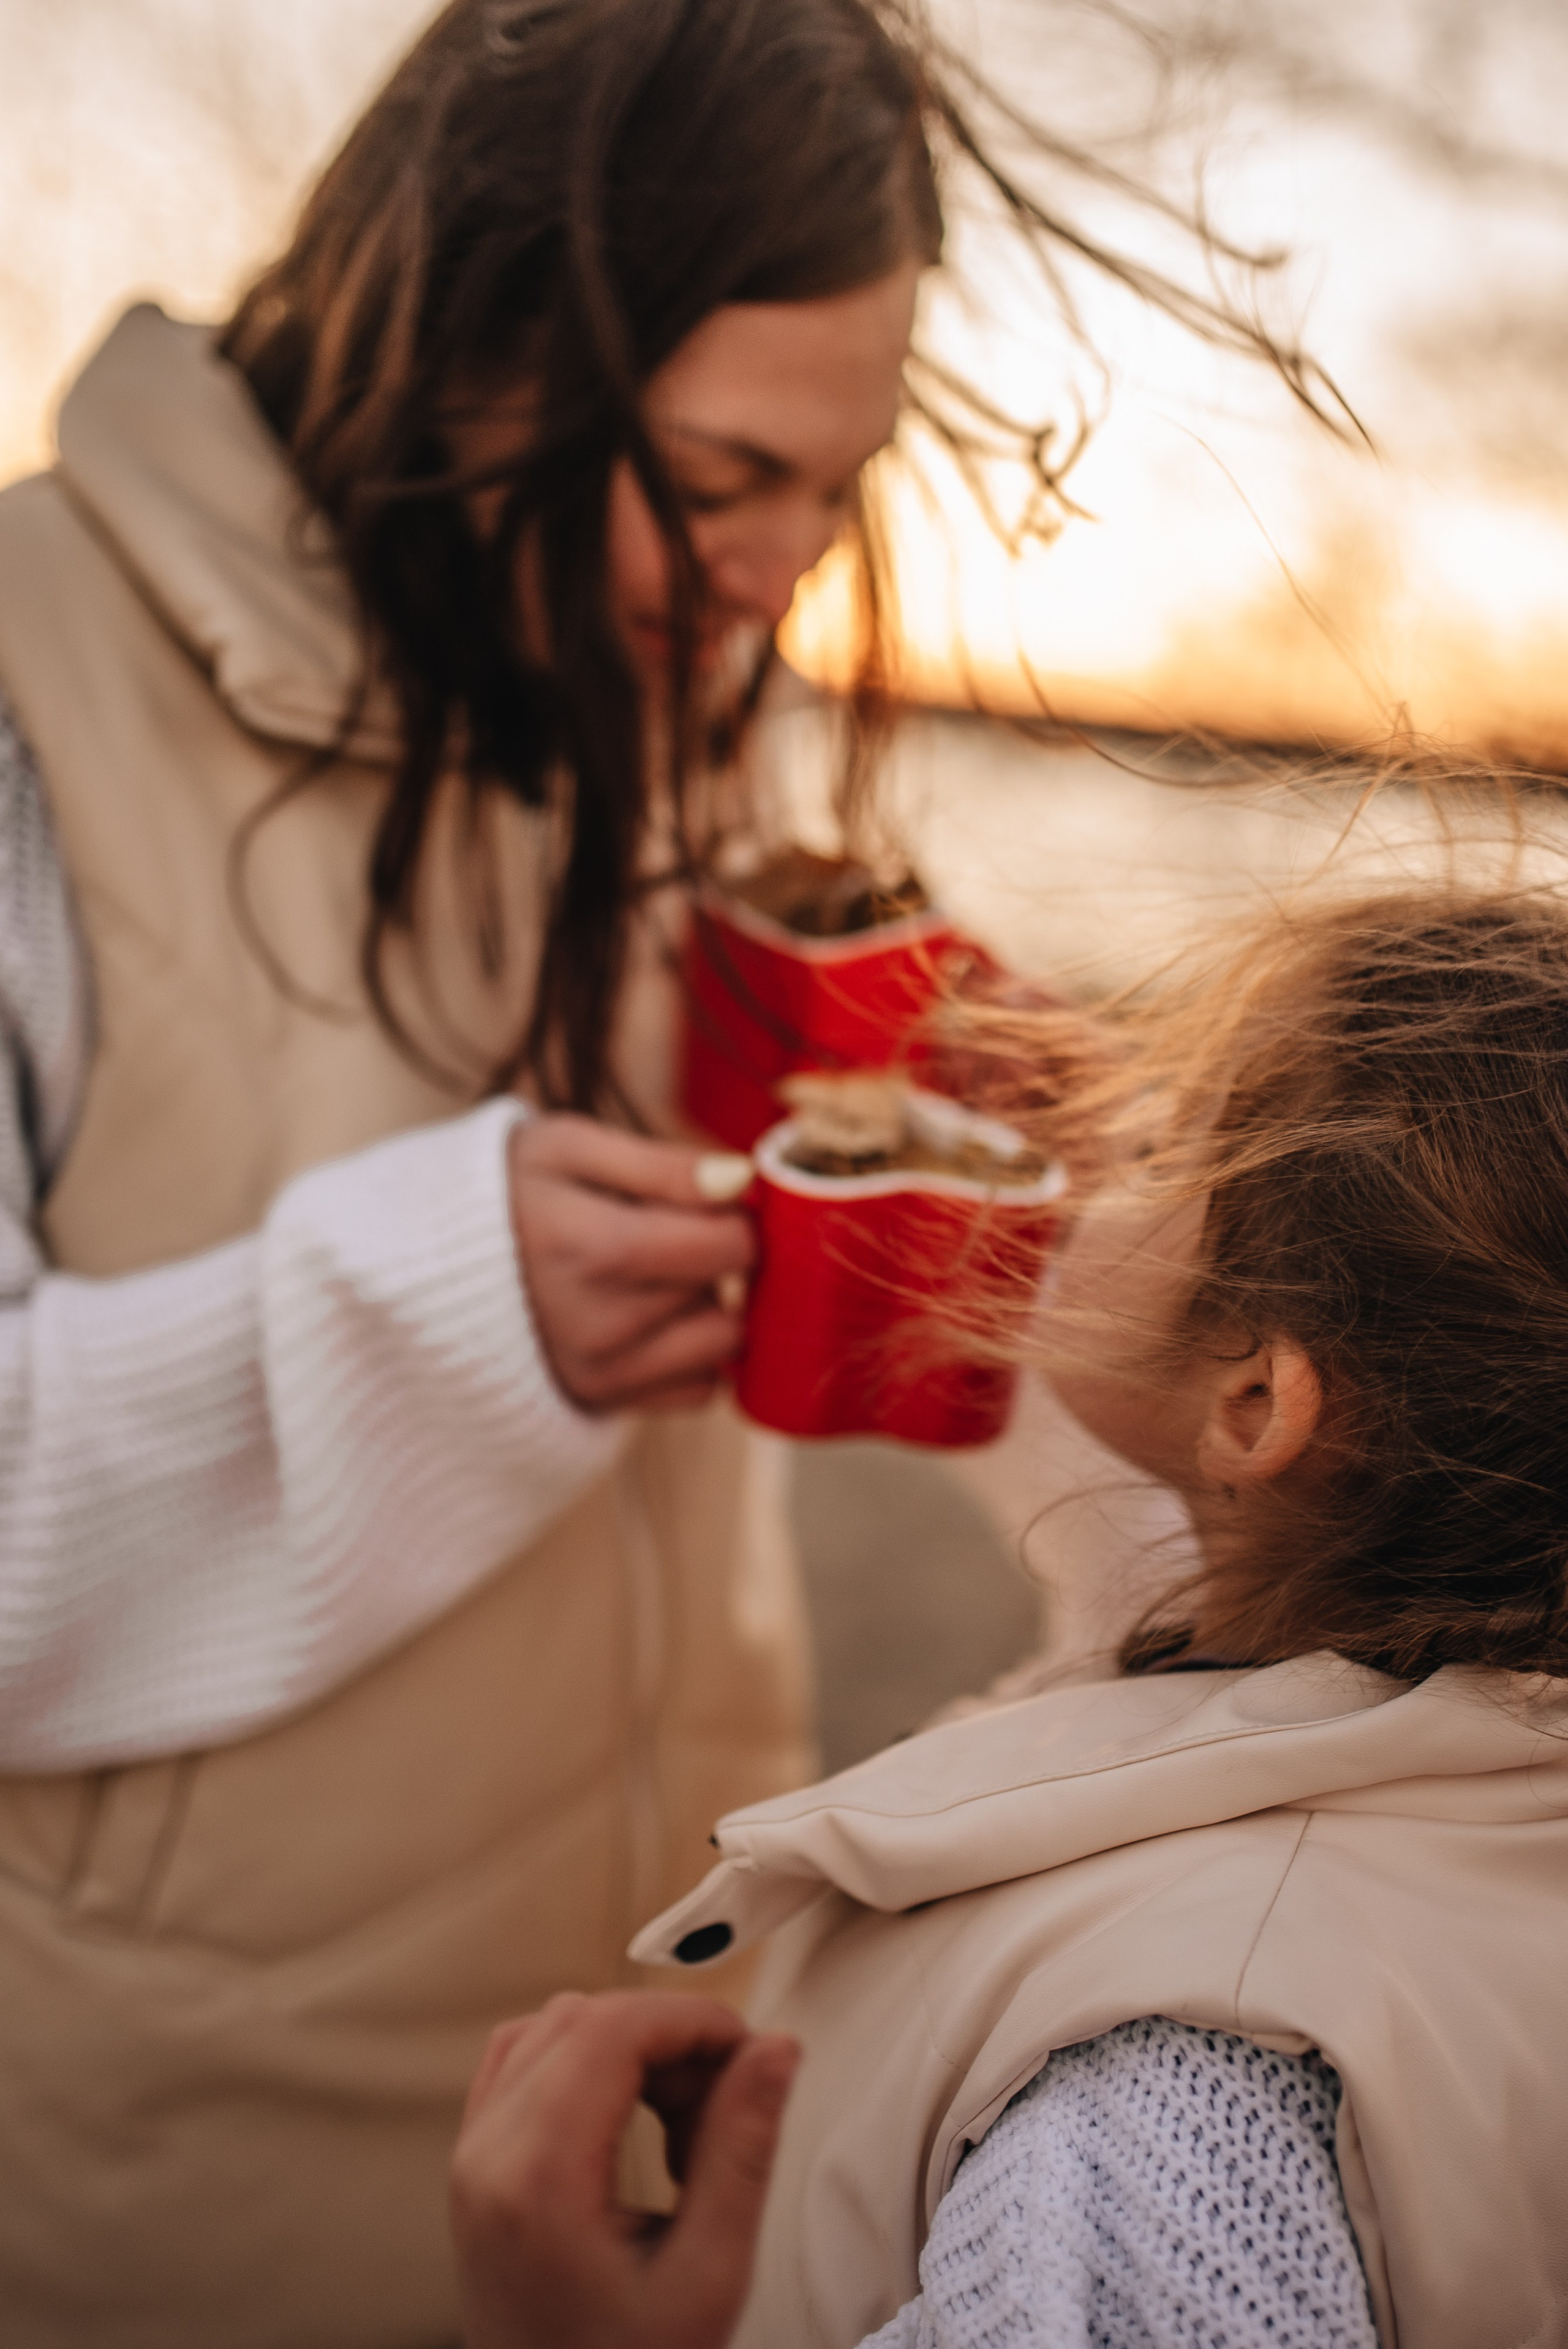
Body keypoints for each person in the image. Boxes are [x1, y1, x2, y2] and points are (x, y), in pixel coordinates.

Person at [448, 886, 1568, 2348]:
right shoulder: (1447, 1675)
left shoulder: (1175, 2098)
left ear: (1254, 1408)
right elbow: (1169, 1538)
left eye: (1170, 1147)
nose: (1115, 1140)